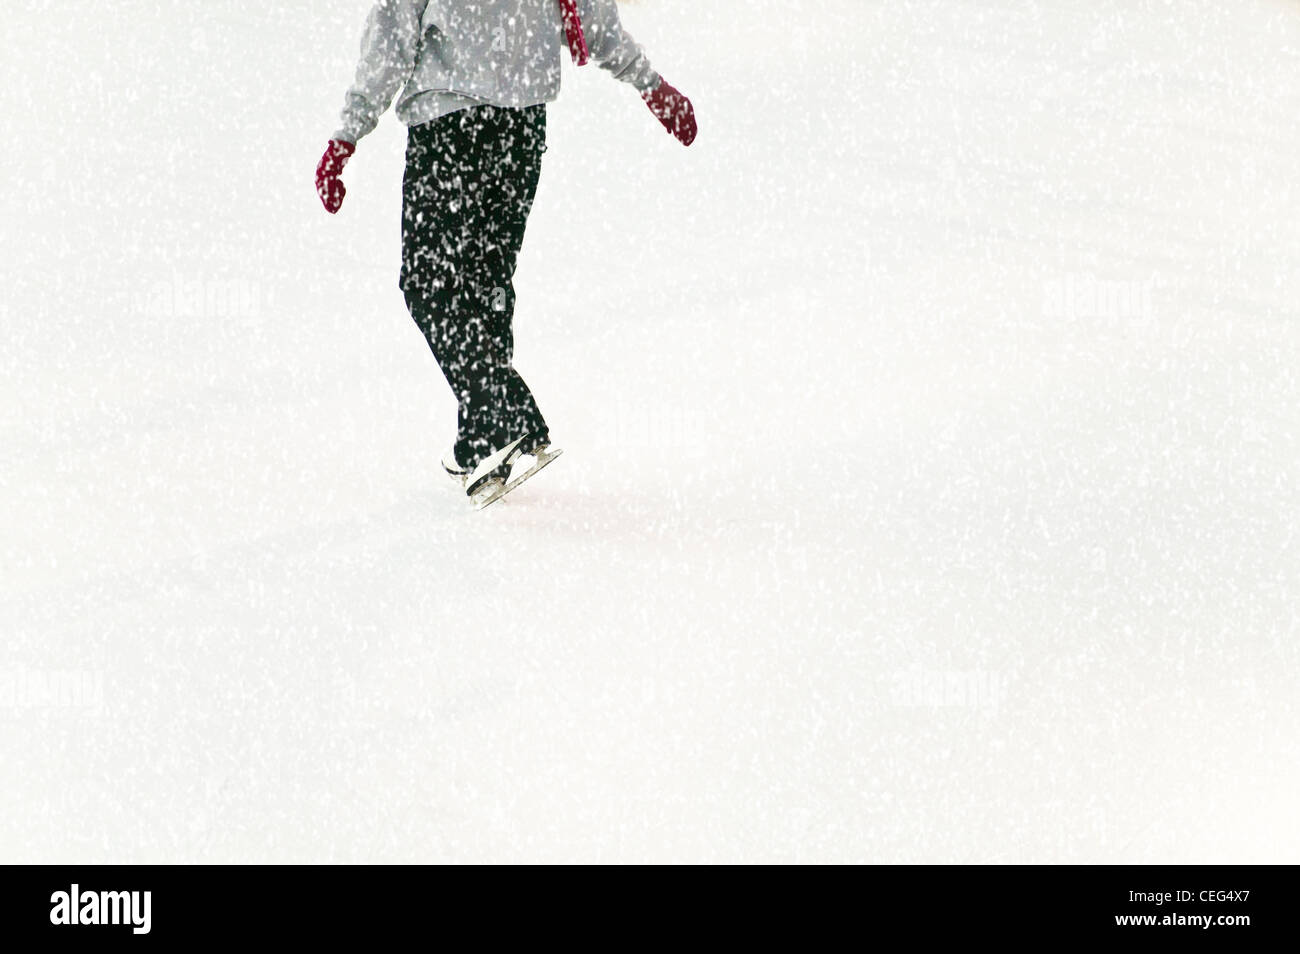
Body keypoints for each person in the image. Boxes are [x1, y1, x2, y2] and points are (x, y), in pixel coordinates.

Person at [315, 0, 697, 504]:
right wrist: (649, 83)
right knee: (485, 281)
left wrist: (347, 134)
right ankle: (480, 442)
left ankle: (503, 415)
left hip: (450, 124)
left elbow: (393, 30)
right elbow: (587, 15)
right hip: (520, 128)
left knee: (430, 282)